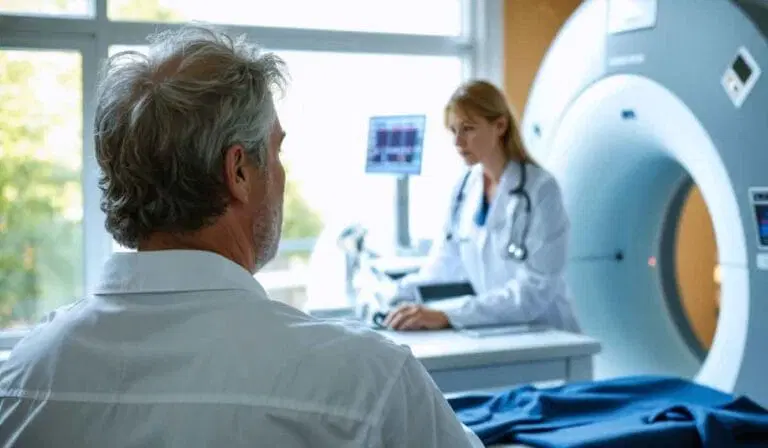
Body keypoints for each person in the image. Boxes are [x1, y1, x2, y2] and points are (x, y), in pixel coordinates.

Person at [0, 25, 482, 448]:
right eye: (275, 152)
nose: (282, 173)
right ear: (239, 172)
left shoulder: (20, 382)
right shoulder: (367, 384)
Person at [383, 80, 581, 333]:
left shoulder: (541, 189)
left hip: (549, 333)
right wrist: (399, 293)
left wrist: (447, 314)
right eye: (453, 131)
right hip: (495, 331)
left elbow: (535, 288)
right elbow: (445, 262)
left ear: (499, 125)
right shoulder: (465, 188)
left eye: (468, 129)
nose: (458, 142)